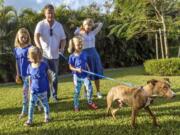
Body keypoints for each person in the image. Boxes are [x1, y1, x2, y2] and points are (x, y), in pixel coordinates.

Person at [34, 4, 66, 102]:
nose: (50, 15)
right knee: (44, 77)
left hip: (55, 56)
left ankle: (54, 95)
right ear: (45, 13)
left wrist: (62, 48)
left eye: (52, 13)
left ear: (54, 13)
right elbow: (36, 36)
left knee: (54, 77)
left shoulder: (59, 25)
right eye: (48, 13)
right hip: (43, 56)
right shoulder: (41, 24)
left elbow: (63, 39)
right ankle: (46, 96)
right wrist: (39, 47)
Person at [74, 18, 103, 99]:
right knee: (85, 75)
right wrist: (81, 27)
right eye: (87, 25)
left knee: (96, 73)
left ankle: (98, 92)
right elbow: (75, 33)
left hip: (94, 54)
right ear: (84, 25)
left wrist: (94, 23)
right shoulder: (80, 33)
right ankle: (86, 93)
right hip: (84, 55)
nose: (88, 26)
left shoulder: (93, 32)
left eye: (90, 25)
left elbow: (101, 24)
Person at [68, 36, 98, 111]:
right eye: (78, 44)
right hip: (77, 76)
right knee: (77, 91)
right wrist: (76, 69)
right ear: (74, 46)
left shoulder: (84, 53)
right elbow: (70, 67)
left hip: (85, 75)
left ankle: (90, 102)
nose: (80, 46)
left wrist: (89, 70)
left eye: (81, 44)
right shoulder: (72, 56)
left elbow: (86, 63)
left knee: (90, 89)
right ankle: (76, 105)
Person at [24, 46, 50, 126]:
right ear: (30, 57)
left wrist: (51, 84)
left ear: (40, 56)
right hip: (33, 91)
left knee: (45, 104)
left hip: (43, 90)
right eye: (33, 58)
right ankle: (30, 120)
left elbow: (49, 75)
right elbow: (29, 79)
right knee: (31, 106)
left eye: (36, 57)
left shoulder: (44, 65)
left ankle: (47, 117)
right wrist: (28, 89)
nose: (35, 60)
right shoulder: (29, 67)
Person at [13, 28, 32, 119]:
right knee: (29, 92)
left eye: (25, 37)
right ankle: (38, 104)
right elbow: (17, 62)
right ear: (18, 38)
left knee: (26, 93)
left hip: (31, 74)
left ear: (28, 37)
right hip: (23, 75)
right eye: (22, 37)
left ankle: (24, 111)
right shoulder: (16, 49)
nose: (24, 38)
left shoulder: (30, 48)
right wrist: (17, 74)